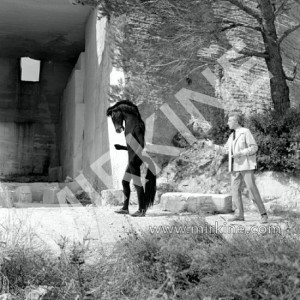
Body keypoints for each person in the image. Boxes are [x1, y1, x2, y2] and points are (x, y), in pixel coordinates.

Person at [206, 112, 268, 224]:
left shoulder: (245, 132)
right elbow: (225, 150)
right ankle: (239, 215)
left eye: (230, 121)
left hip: (246, 165)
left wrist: (241, 153)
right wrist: (212, 146)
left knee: (251, 189)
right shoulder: (231, 135)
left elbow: (254, 147)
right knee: (235, 191)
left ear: (236, 121)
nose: (227, 123)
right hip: (234, 167)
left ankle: (263, 214)